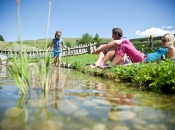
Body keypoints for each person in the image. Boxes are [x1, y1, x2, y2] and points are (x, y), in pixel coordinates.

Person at [95, 33, 175, 67]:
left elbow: (171, 63)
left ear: (170, 40)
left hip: (143, 59)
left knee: (124, 46)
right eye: (162, 40)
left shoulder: (171, 48)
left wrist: (137, 64)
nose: (162, 42)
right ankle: (103, 49)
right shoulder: (164, 48)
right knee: (125, 41)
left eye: (164, 40)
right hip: (143, 56)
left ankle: (110, 66)